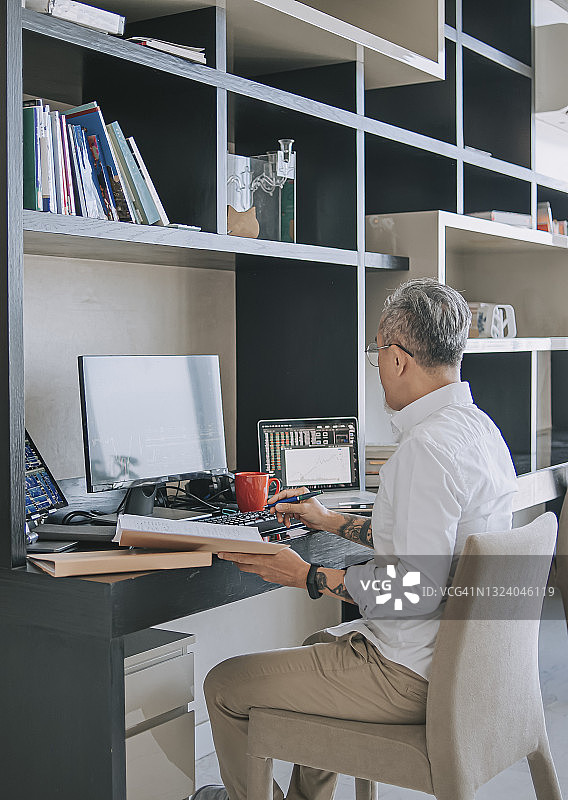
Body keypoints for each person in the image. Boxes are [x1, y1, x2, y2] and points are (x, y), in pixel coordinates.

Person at [193, 278, 518, 800]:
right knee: (317, 645)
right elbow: (431, 552)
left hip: (409, 676)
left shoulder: (425, 452)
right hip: (468, 670)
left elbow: (413, 591)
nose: (379, 373)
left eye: (377, 359)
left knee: (224, 686)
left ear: (397, 358)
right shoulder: (480, 431)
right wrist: (328, 520)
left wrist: (308, 576)